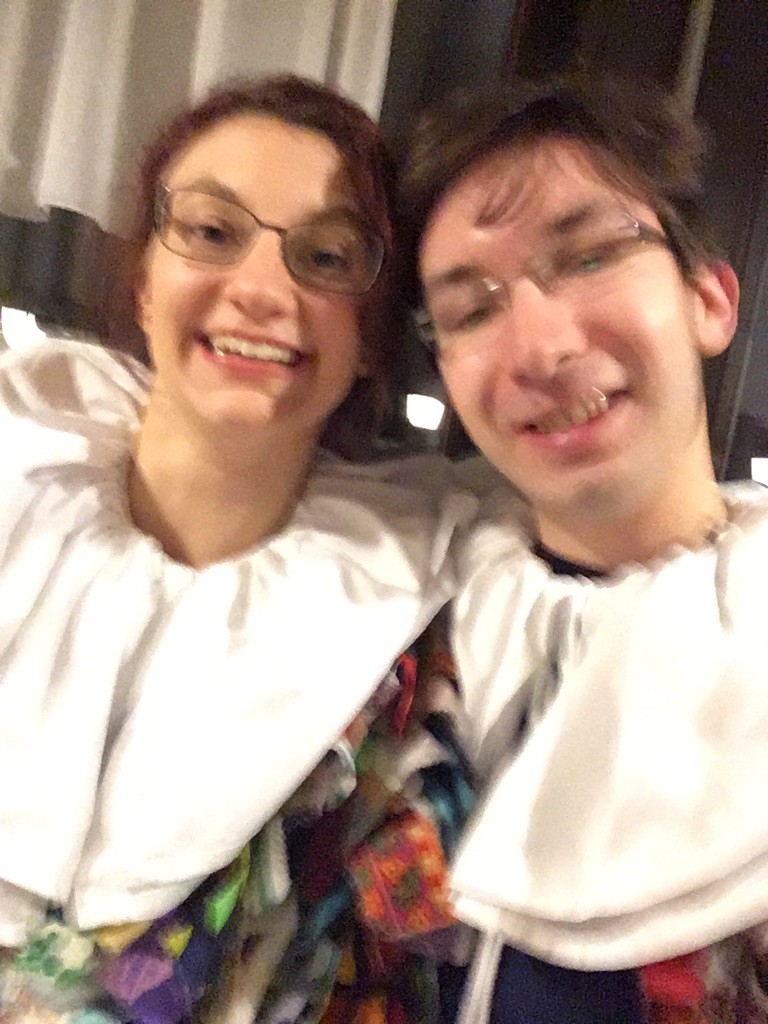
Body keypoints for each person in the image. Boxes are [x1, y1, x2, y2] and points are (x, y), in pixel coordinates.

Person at [0, 75, 476, 1023]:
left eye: (327, 256)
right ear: (144, 284)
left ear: (373, 336)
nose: (260, 290)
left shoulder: (407, 646)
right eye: (212, 231)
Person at [400, 74, 768, 1022]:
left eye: (591, 256)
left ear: (710, 300)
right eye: (471, 311)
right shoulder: (397, 620)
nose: (538, 347)